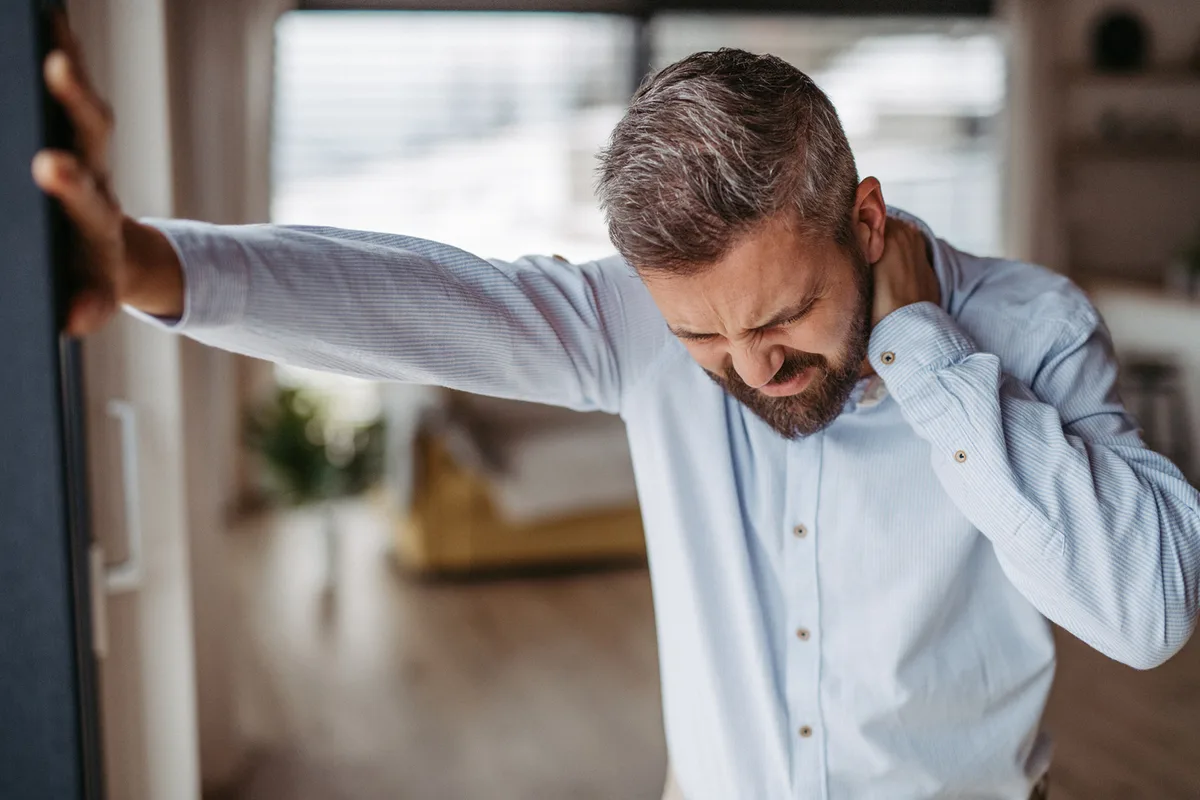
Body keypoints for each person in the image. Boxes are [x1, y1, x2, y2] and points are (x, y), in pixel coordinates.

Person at [34, 23, 1200, 800]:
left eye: (785, 313)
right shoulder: (632, 329)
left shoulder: (1035, 324)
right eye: (702, 333)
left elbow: (1146, 611)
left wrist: (927, 351)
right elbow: (416, 297)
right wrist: (140, 262)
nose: (752, 369)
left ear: (866, 217)